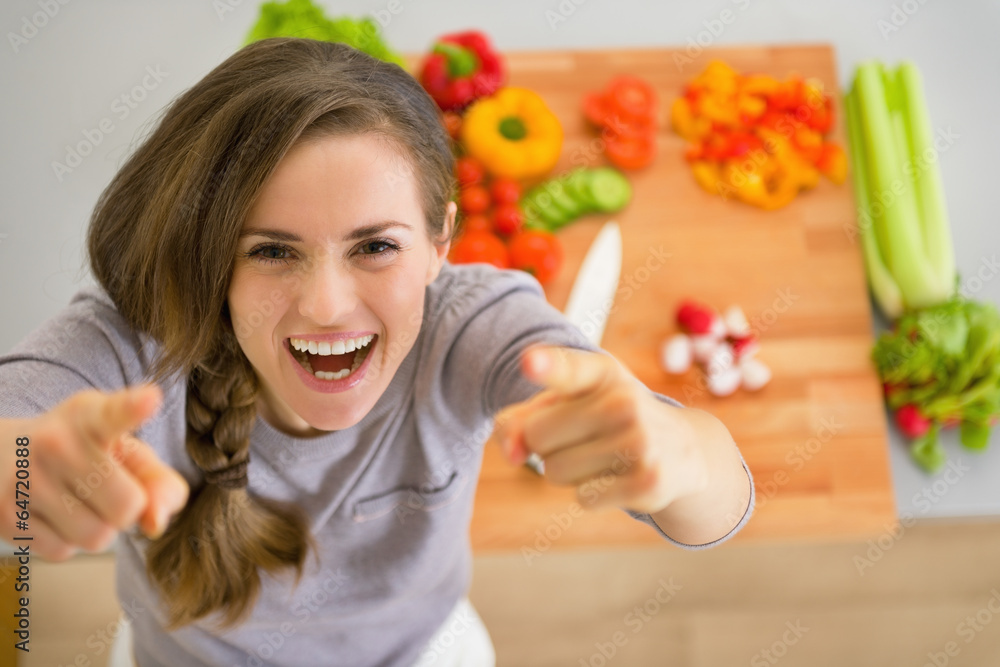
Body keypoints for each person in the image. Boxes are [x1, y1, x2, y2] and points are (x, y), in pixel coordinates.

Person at [0, 38, 754, 666]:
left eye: (375, 246)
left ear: (439, 244)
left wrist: (676, 453)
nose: (326, 304)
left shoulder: (473, 330)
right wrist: (20, 467)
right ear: (212, 255)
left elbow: (718, 504)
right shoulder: (140, 337)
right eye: (270, 251)